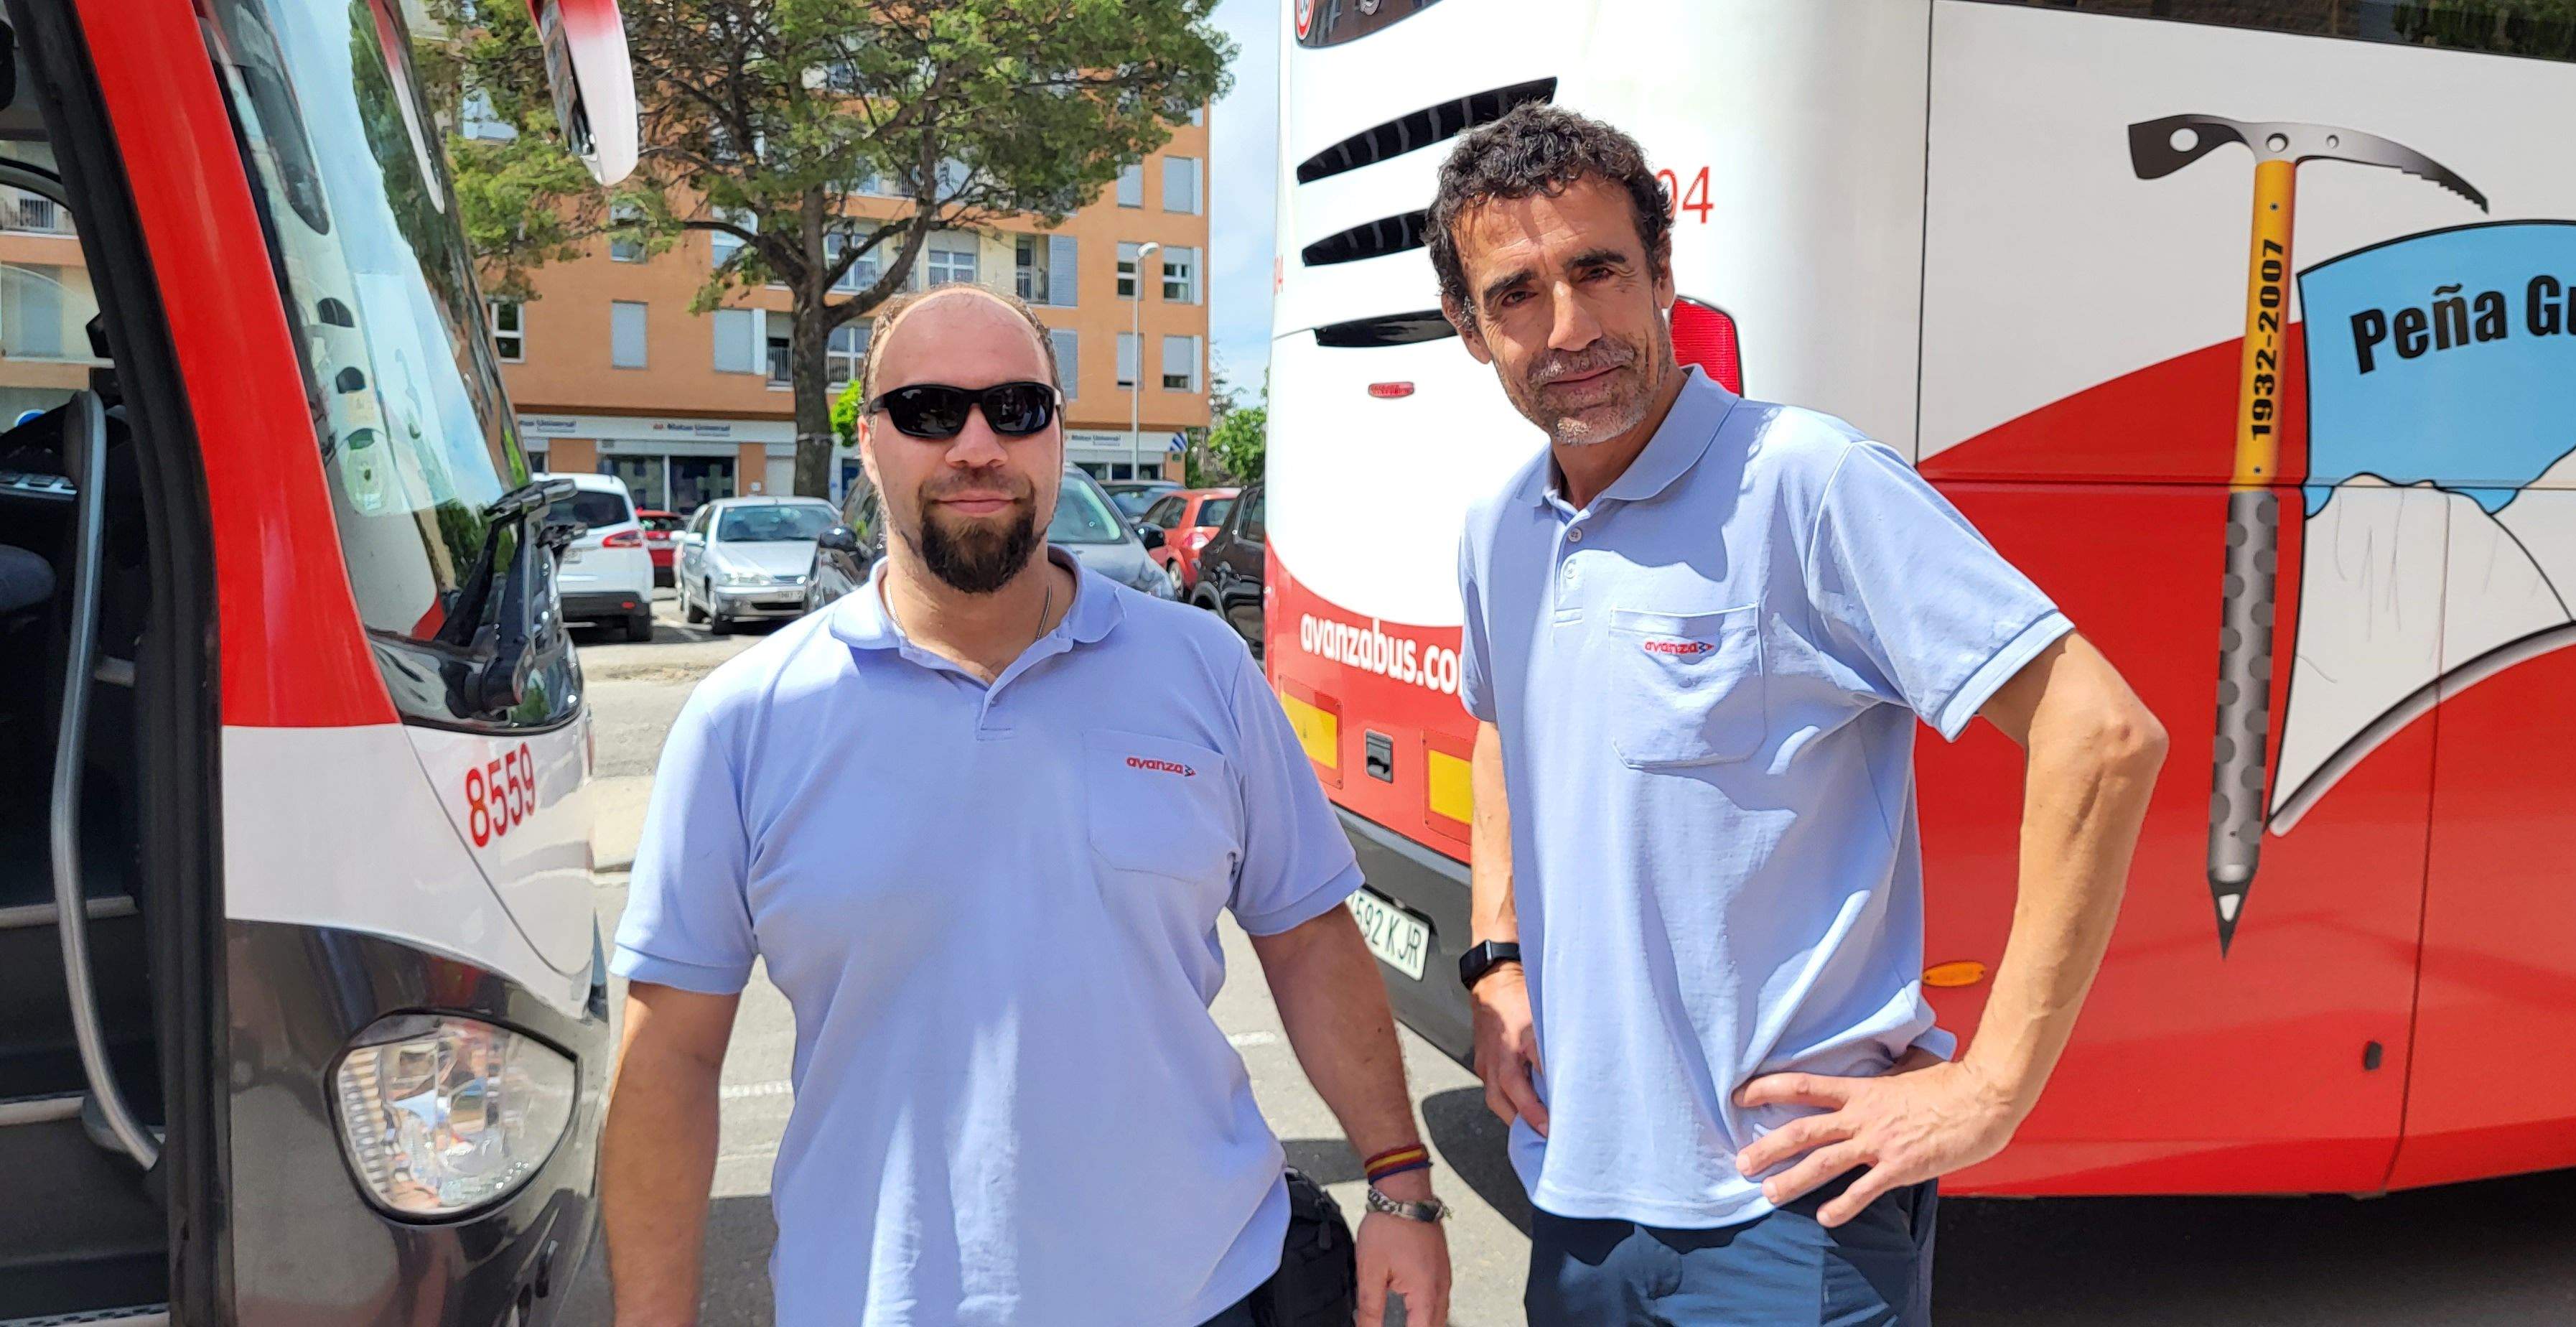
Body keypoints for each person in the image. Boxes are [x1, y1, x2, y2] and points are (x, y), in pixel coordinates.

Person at [1432, 105, 2167, 1324]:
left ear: (1662, 274)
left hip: (1790, 1217)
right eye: (1515, 293)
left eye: (1597, 270)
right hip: (1574, 1197)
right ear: (1470, 329)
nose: (1567, 329)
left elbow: (2101, 734)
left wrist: (1992, 1089)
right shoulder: (1500, 526)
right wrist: (1497, 959)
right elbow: (1506, 724)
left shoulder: (1805, 481)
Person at [602, 284, 1451, 1327]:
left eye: (1015, 409)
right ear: (867, 443)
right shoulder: (746, 721)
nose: (975, 445)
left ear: (1057, 437)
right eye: (927, 412)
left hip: (1206, 1293)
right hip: (875, 1302)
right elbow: (669, 1059)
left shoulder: (1203, 671)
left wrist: (1401, 1178)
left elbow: (1309, 937)